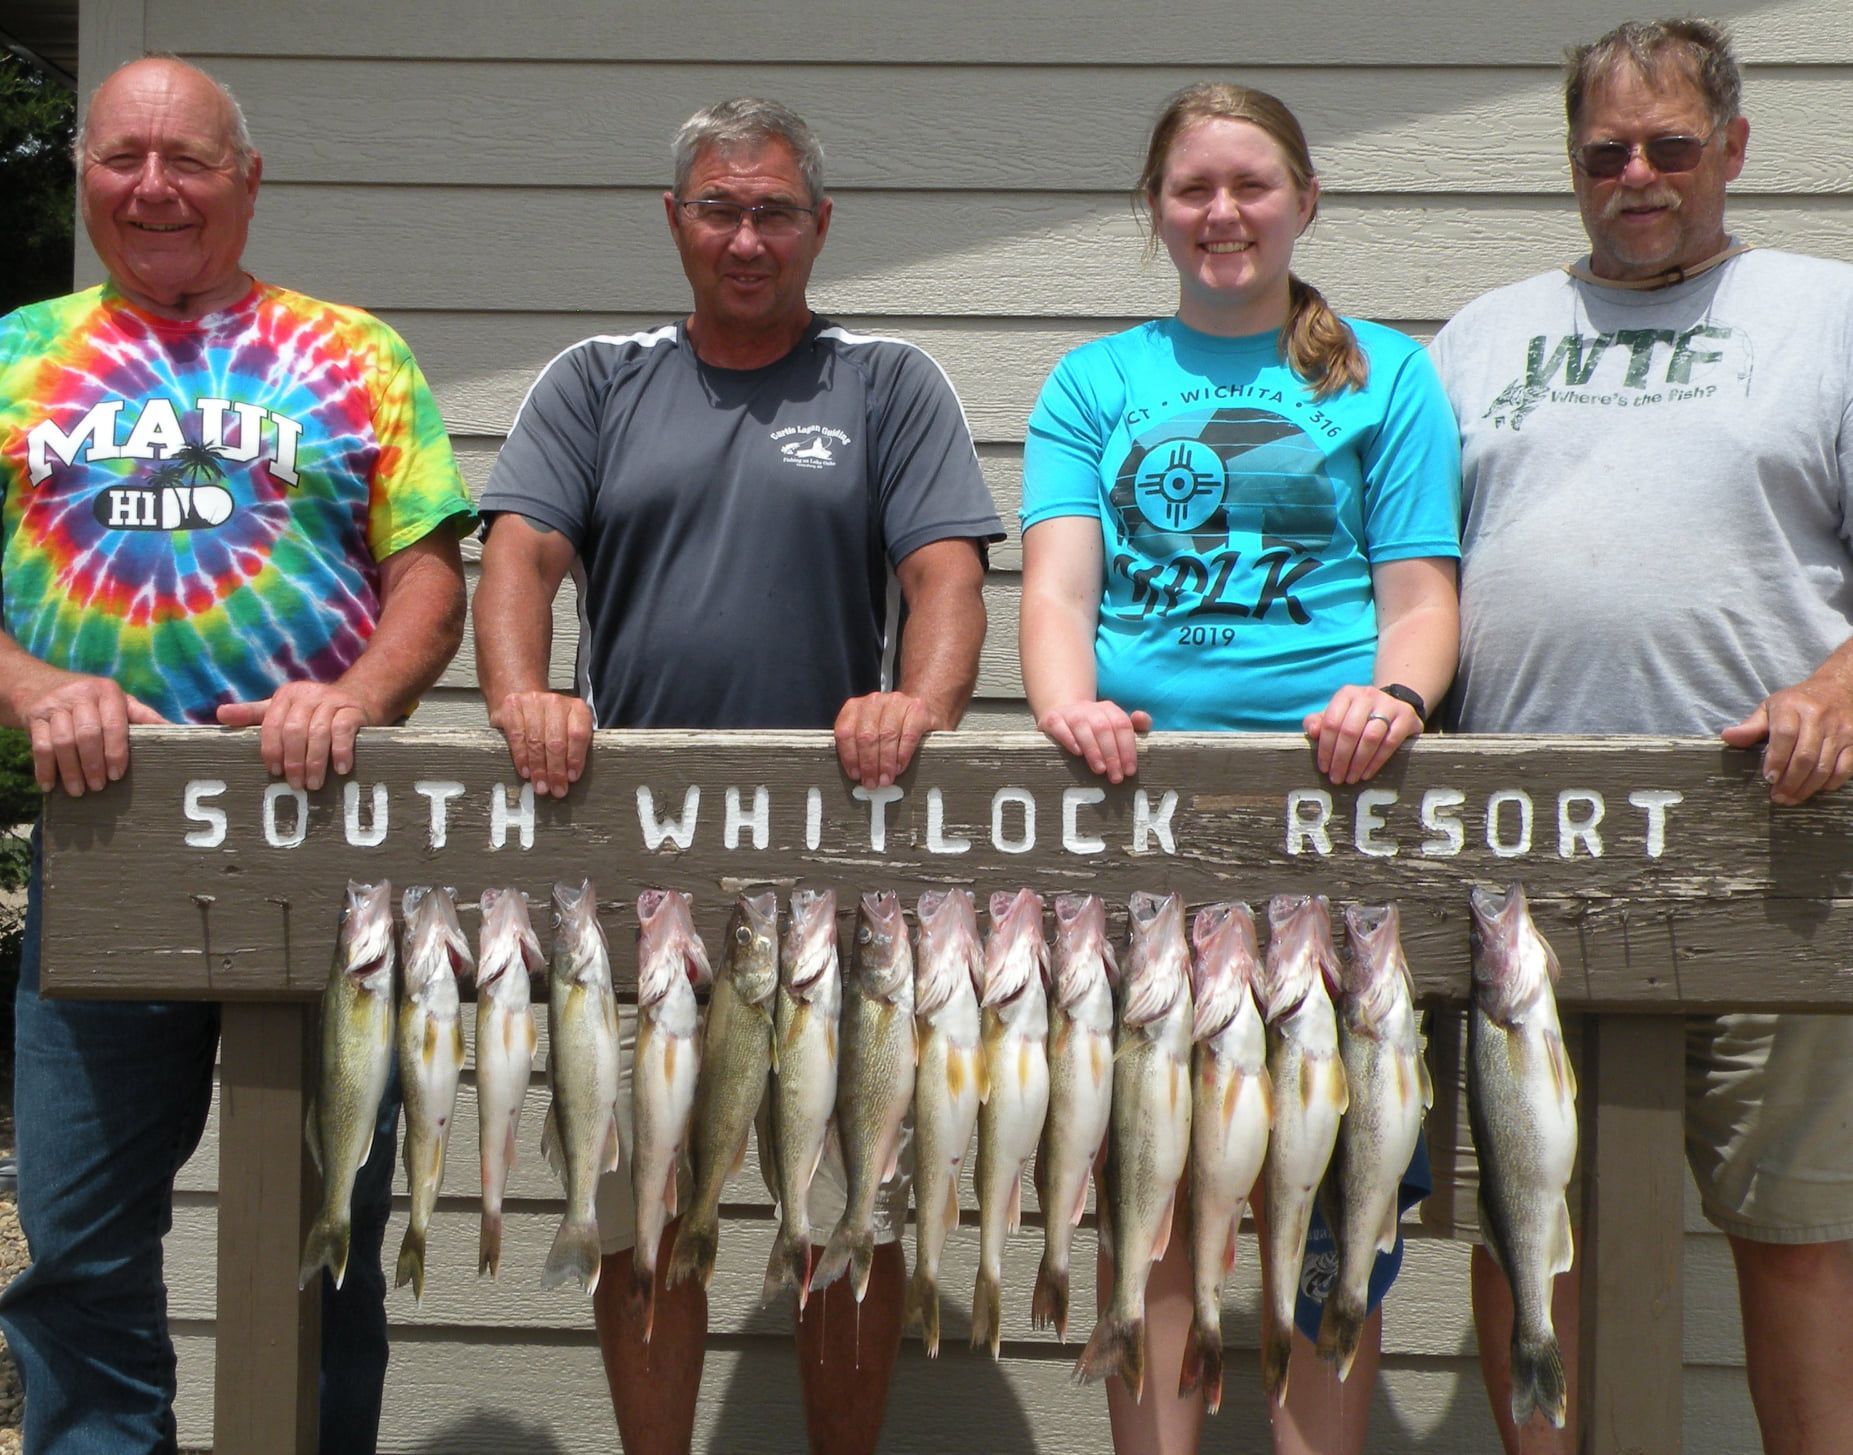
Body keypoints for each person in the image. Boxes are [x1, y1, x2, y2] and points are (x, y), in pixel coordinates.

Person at [472, 97, 1001, 1455]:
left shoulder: (887, 383)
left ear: (820, 226)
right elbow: (521, 554)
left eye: (773, 211)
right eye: (719, 208)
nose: (746, 238)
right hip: (635, 865)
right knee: (643, 1210)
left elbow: (944, 576)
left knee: (845, 1212)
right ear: (675, 221)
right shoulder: (595, 381)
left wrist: (919, 703)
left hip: (839, 865)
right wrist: (521, 696)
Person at [0, 55, 474, 1454]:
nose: (154, 188)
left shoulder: (352, 352)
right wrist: (35, 687)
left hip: (320, 845)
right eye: (122, 158)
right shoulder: (17, 355)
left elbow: (429, 577)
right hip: (107, 841)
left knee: (324, 1239)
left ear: (248, 181)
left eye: (189, 160)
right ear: (81, 177)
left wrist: (358, 697)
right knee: (78, 1244)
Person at [1428, 17, 1853, 1455]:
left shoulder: (1828, 316)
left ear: (1732, 148)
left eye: (1671, 145)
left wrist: (1837, 690)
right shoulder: (1480, 338)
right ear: (1571, 161)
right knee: (1528, 1226)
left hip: (1772, 852)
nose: (1637, 176)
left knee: (1797, 1237)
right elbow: (1405, 574)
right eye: (1605, 150)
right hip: (1523, 861)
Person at [1018, 83, 1460, 1455]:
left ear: (1305, 200)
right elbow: (1056, 593)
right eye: (1193, 188)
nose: (1223, 212)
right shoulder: (1093, 382)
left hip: (1336, 824)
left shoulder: (1384, 376)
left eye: (1250, 185)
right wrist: (1068, 709)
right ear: (1155, 211)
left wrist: (1396, 699)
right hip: (1139, 829)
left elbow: (1420, 598)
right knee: (1153, 1196)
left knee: (1325, 1203)